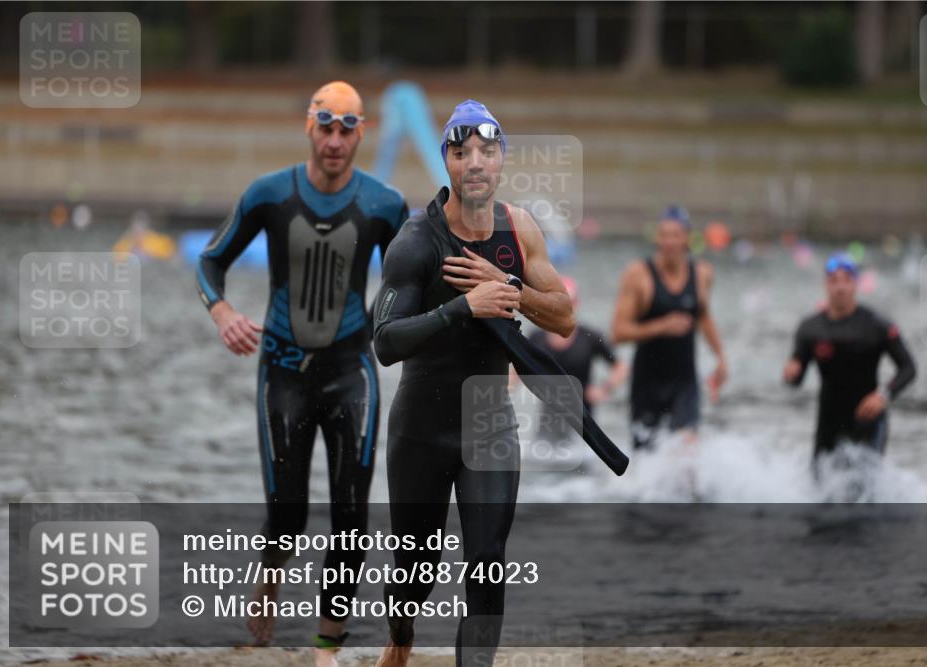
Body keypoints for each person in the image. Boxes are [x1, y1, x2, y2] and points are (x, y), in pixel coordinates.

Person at [196, 81, 408, 666]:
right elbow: (211, 259)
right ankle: (270, 571)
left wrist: (384, 322)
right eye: (325, 126)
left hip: (352, 371)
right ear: (308, 127)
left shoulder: (385, 205)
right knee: (287, 516)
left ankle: (325, 649)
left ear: (361, 132)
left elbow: (412, 276)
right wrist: (222, 312)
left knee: (350, 515)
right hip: (283, 371)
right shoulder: (269, 194)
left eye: (347, 128)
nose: (335, 140)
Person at [371, 99, 574, 667]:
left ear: (502, 158)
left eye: (487, 151)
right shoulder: (416, 243)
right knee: (414, 575)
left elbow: (563, 316)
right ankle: (402, 636)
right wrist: (464, 307)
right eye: (462, 153)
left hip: (489, 421)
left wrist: (506, 286)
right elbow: (384, 341)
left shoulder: (520, 229)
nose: (475, 163)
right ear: (448, 163)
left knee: (487, 557)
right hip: (421, 427)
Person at [783, 253, 917, 475]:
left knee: (862, 494)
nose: (840, 287)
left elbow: (909, 368)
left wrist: (883, 395)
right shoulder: (810, 328)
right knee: (821, 495)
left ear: (856, 284)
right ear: (826, 285)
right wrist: (790, 374)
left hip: (868, 420)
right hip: (828, 422)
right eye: (834, 280)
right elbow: (796, 380)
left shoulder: (876, 325)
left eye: (846, 280)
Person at [609, 206, 728, 451]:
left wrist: (720, 358)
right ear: (657, 238)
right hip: (647, 384)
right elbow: (618, 333)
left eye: (676, 235)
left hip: (684, 383)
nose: (670, 242)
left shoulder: (703, 273)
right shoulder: (638, 275)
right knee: (647, 462)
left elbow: (704, 317)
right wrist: (661, 326)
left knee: (687, 454)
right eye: (664, 235)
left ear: (687, 238)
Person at [524, 275, 628, 445]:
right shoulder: (537, 337)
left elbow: (620, 367)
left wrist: (604, 390)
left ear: (577, 304)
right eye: (559, 303)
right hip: (548, 422)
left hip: (583, 422)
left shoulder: (589, 337)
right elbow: (515, 371)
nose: (565, 308)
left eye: (570, 302)